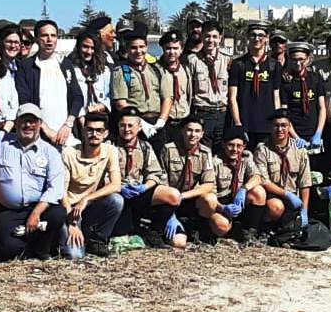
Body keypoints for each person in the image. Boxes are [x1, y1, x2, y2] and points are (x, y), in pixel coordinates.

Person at [0, 104, 67, 260]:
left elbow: (55, 188)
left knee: (58, 213)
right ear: (16, 123)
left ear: (39, 124)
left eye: (33, 121)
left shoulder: (50, 152)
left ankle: (42, 249)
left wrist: (36, 213)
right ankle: (33, 243)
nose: (28, 125)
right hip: (9, 210)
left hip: (38, 207)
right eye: (24, 121)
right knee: (8, 251)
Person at [61, 111, 123, 258]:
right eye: (90, 130)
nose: (94, 134)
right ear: (83, 131)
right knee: (75, 256)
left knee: (116, 200)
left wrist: (86, 199)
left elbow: (116, 185)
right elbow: (61, 192)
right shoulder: (69, 153)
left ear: (106, 133)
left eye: (99, 130)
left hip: (88, 206)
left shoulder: (110, 151)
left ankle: (97, 240)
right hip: (69, 208)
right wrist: (72, 223)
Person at [111, 106, 179, 239]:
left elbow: (155, 173)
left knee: (173, 195)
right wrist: (119, 187)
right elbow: (102, 176)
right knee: (123, 231)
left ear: (139, 127)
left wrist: (145, 187)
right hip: (117, 193)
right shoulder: (110, 146)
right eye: (122, 125)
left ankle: (155, 232)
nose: (126, 129)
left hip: (138, 192)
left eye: (130, 126)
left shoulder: (145, 147)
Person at [155, 117, 220, 246]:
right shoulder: (168, 150)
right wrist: (170, 211)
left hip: (190, 199)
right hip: (170, 202)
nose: (193, 134)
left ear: (202, 134)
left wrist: (183, 196)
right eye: (189, 130)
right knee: (178, 243)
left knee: (211, 199)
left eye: (197, 131)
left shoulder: (205, 153)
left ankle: (197, 228)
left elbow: (208, 184)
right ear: (182, 131)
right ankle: (173, 225)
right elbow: (161, 183)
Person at [14, 20, 74, 146]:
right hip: (39, 136)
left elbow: (77, 96)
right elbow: (25, 101)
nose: (49, 40)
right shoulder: (27, 66)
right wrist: (46, 129)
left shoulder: (66, 63)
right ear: (36, 39)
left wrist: (68, 124)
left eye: (53, 35)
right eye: (44, 35)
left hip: (66, 135)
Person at [252, 109, 312, 234]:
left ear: (289, 127)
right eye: (276, 126)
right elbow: (264, 181)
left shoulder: (299, 150)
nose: (280, 129)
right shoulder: (262, 150)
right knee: (276, 207)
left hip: (293, 198)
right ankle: (265, 230)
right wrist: (286, 194)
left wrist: (304, 209)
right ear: (271, 127)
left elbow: (305, 182)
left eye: (284, 126)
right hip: (272, 196)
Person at [210, 131, 267, 241]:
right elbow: (210, 194)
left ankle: (251, 231)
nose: (235, 149)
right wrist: (222, 208)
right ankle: (232, 231)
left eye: (239, 146)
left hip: (238, 200)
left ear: (244, 146)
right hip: (221, 203)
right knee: (221, 227)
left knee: (259, 191)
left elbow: (257, 177)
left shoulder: (246, 157)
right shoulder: (215, 162)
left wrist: (243, 189)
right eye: (231, 145)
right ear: (223, 145)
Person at [229, 22, 279, 145]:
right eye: (253, 35)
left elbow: (276, 96)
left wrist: (277, 122)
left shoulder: (274, 65)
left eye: (261, 35)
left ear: (267, 38)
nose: (257, 39)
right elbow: (232, 97)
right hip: (245, 124)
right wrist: (237, 123)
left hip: (267, 125)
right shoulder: (238, 64)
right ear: (248, 37)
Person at [188, 21, 232, 147]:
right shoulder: (192, 61)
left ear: (220, 38)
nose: (210, 40)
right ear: (202, 37)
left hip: (222, 114)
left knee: (221, 151)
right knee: (202, 150)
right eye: (207, 36)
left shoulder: (227, 60)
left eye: (214, 36)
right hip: (202, 112)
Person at [280, 41, 326, 151]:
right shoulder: (286, 80)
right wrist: (295, 137)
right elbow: (284, 112)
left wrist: (319, 132)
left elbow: (322, 107)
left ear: (308, 59)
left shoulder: (315, 78)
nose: (297, 63)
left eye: (301, 59)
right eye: (294, 59)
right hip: (293, 133)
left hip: (313, 132)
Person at [111, 30, 164, 126]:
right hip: (134, 122)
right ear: (127, 49)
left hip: (156, 120)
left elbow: (166, 97)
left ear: (146, 47)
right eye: (133, 48)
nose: (138, 51)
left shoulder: (155, 69)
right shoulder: (121, 71)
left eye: (141, 47)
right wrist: (141, 123)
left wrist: (162, 120)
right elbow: (120, 103)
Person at [66, 30, 112, 131]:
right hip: (78, 119)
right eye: (85, 47)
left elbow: (110, 94)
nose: (89, 51)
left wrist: (100, 106)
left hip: (101, 117)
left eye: (92, 48)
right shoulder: (70, 68)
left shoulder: (104, 69)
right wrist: (82, 114)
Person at [155, 31, 193, 147]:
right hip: (165, 121)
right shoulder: (155, 70)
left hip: (183, 119)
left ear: (181, 49)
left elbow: (188, 94)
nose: (172, 52)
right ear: (163, 48)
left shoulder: (185, 69)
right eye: (168, 48)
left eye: (176, 48)